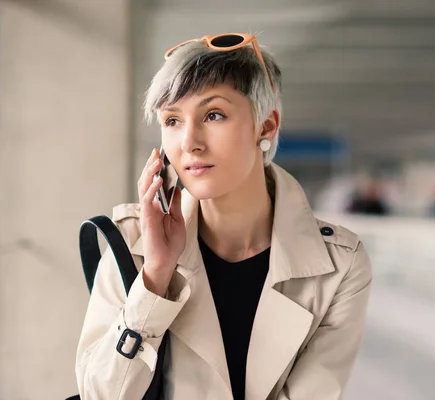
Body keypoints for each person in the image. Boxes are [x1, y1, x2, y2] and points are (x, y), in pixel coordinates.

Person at [74, 33, 372, 400]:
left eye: (213, 115)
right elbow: (100, 395)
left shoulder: (339, 263)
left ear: (265, 126)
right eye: (172, 121)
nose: (189, 142)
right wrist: (153, 279)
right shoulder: (132, 243)